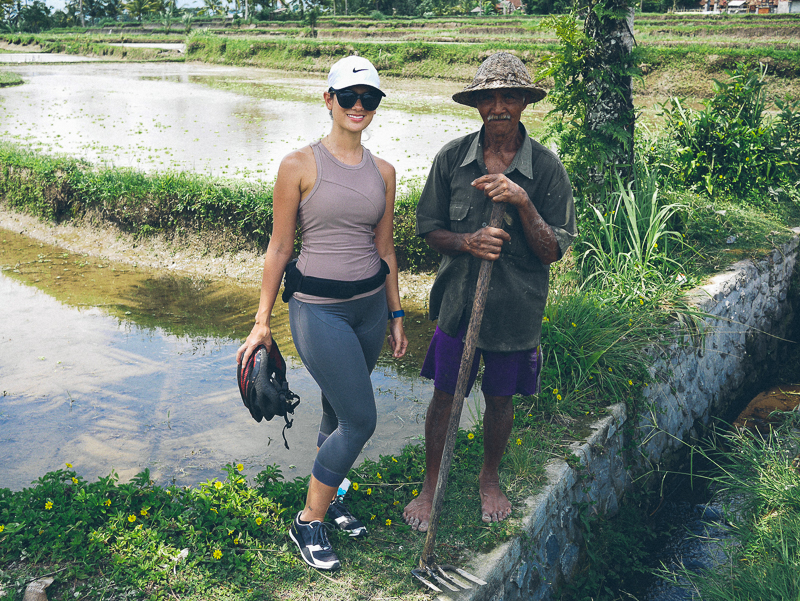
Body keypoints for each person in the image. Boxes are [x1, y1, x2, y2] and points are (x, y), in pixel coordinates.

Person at [237, 55, 408, 571]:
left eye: (369, 98)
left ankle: (330, 499)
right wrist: (262, 320)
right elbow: (280, 245)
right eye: (349, 97)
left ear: (376, 106)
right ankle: (308, 520)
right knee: (361, 418)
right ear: (328, 99)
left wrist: (397, 313)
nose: (359, 106)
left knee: (337, 410)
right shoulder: (298, 165)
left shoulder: (384, 172)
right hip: (317, 310)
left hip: (370, 309)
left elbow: (386, 248)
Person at [402, 52, 577, 532]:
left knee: (500, 399)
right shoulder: (452, 159)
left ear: (523, 102)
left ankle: (489, 479)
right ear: (477, 104)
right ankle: (430, 485)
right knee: (444, 396)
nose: (498, 106)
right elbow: (429, 228)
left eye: (509, 96)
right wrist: (467, 242)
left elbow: (551, 250)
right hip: (459, 306)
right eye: (489, 98)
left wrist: (522, 202)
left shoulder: (545, 168)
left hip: (515, 311)